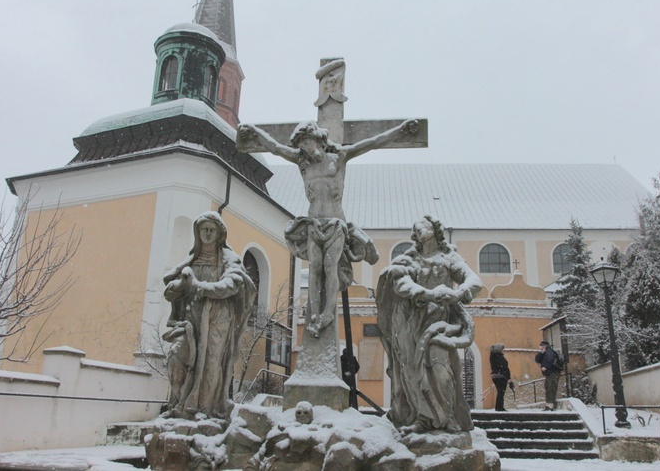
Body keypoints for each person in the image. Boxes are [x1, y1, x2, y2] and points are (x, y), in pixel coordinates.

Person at [238, 119, 418, 339]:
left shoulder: (339, 158)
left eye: (309, 142)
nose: (306, 148)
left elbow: (373, 142)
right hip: (314, 224)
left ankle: (327, 314)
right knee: (315, 269)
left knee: (330, 267)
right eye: (302, 145)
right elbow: (275, 148)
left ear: (319, 140)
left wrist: (400, 130)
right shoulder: (302, 163)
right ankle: (315, 312)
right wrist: (255, 132)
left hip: (335, 225)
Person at [376, 215, 483, 433]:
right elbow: (400, 283)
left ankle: (447, 417)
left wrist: (459, 293)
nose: (419, 229)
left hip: (439, 320)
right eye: (416, 227)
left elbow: (473, 280)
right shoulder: (408, 259)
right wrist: (427, 293)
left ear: (435, 230)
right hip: (410, 321)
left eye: (424, 225)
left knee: (440, 367)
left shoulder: (449, 257)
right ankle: (421, 418)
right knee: (412, 370)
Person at [161, 212, 257, 420]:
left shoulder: (229, 259)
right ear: (197, 232)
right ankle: (178, 404)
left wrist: (200, 287)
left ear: (220, 233)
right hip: (192, 318)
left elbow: (230, 285)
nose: (207, 233)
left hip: (218, 318)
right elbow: (172, 287)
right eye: (203, 229)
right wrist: (179, 287)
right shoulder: (191, 259)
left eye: (212, 229)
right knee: (180, 358)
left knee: (212, 362)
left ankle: (205, 409)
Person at [534, 340, 562, 411]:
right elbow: (537, 359)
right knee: (548, 387)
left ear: (544, 346)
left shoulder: (549, 352)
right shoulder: (544, 353)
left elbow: (550, 359)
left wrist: (545, 366)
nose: (540, 348)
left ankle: (550, 405)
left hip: (553, 372)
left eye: (541, 346)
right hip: (549, 373)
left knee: (551, 387)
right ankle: (548, 404)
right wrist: (541, 353)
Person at [490, 343, 513, 412]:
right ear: (499, 350)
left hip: (494, 376)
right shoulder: (500, 358)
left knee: (500, 391)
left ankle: (498, 407)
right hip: (501, 376)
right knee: (501, 392)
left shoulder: (493, 357)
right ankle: (500, 407)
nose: (503, 351)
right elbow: (505, 368)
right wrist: (509, 378)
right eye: (502, 349)